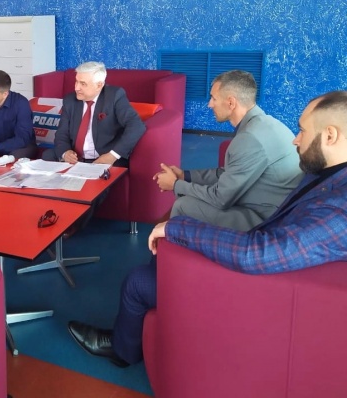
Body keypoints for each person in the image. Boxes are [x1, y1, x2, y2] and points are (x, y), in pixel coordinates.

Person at [67, 90, 347, 367]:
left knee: (137, 282)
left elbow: (255, 253)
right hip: (270, 244)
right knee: (165, 251)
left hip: (263, 287)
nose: (296, 139)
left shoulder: (338, 209)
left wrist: (177, 226)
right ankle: (164, 280)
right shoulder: (327, 174)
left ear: (330, 135)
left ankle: (123, 351)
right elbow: (228, 176)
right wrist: (186, 178)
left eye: (302, 131)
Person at [153, 70, 303, 231]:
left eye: (213, 98)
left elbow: (221, 198)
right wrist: (186, 176)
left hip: (268, 220)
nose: (210, 104)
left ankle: (167, 245)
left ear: (231, 103)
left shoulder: (250, 139)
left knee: (183, 205)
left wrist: (176, 185)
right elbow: (229, 173)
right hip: (270, 205)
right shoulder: (263, 124)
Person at [42, 61, 146, 167]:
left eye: (83, 84)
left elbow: (136, 125)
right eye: (76, 82)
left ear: (99, 85)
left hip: (104, 157)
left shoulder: (114, 96)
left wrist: (113, 155)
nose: (76, 88)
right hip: (76, 158)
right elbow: (62, 133)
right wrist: (65, 152)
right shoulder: (70, 100)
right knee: (48, 156)